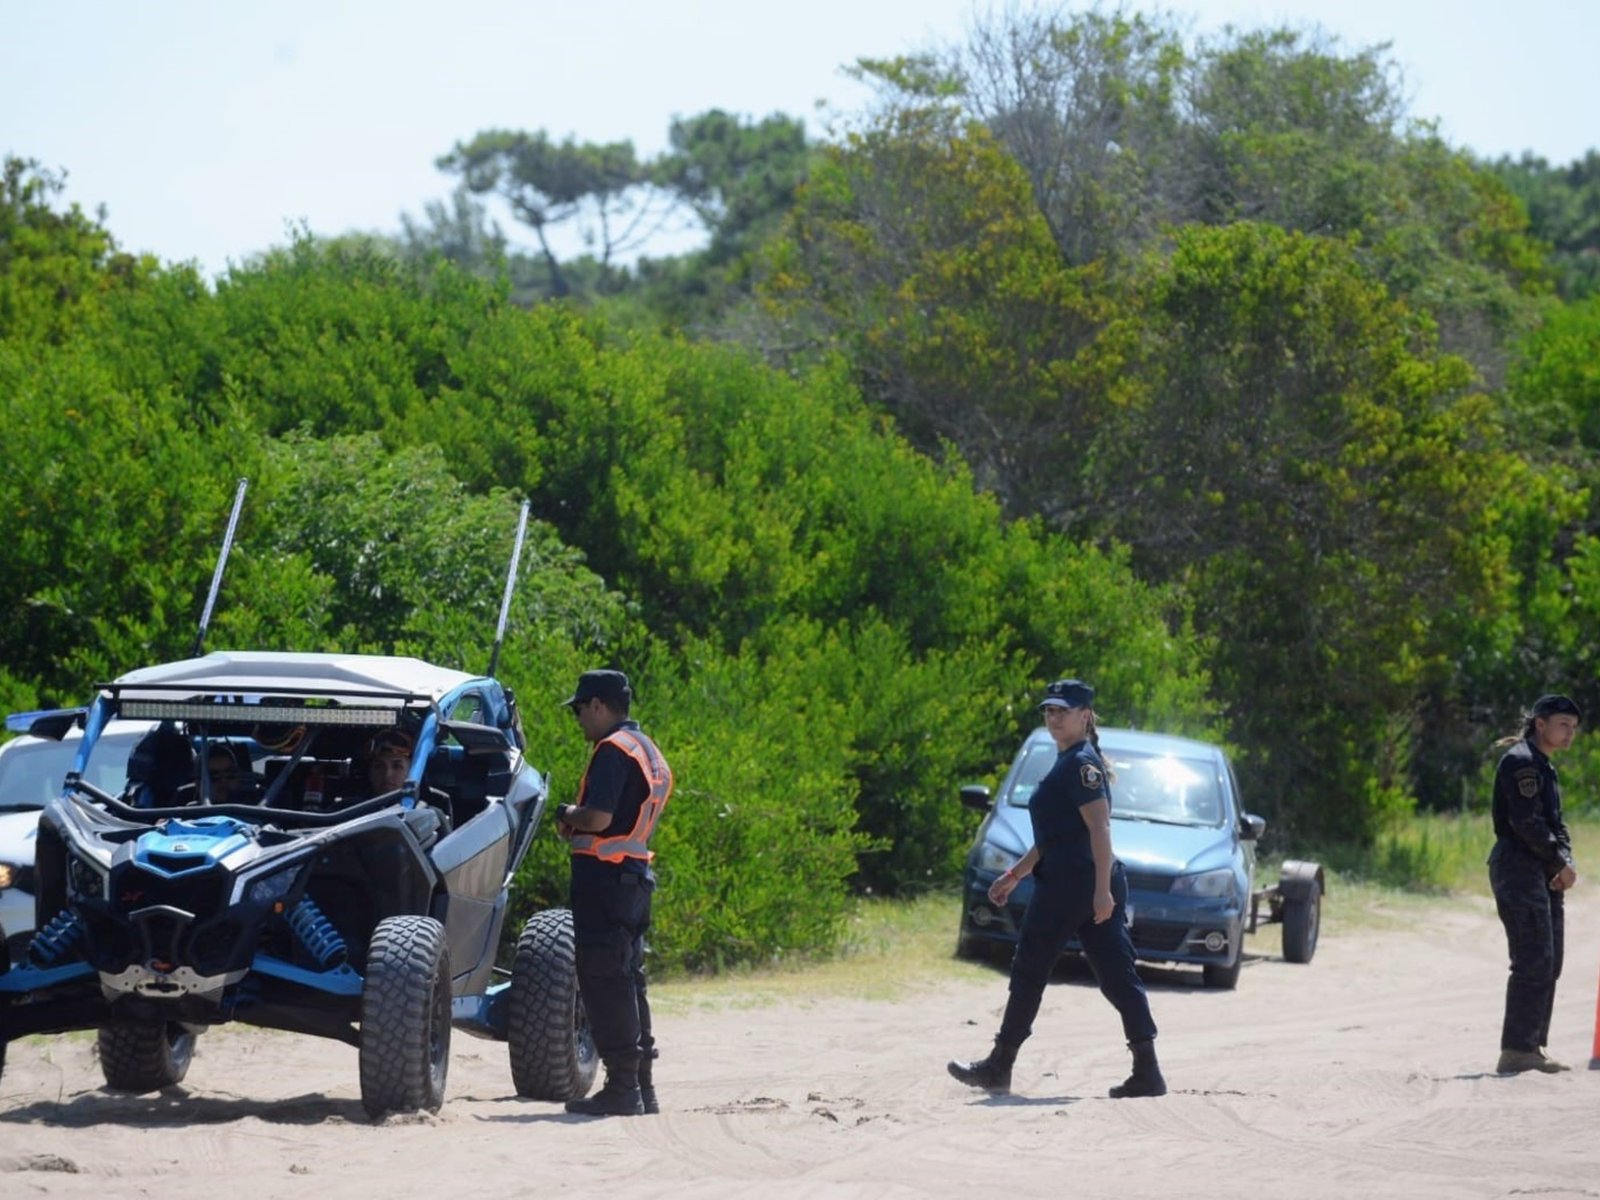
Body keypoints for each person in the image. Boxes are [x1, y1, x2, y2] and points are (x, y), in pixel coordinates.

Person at [948, 679, 1167, 1099]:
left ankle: (999, 1066)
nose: (1053, 718)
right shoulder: (1068, 761)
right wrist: (1015, 874)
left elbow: (1100, 829)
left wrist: (1102, 892)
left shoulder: (1081, 764)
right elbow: (1055, 836)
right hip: (1076, 881)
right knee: (1117, 978)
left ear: (1085, 716)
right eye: (1049, 711)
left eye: (1062, 711)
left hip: (1075, 886)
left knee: (1031, 969)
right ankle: (1147, 1071)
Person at [554, 669, 673, 1117]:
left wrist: (568, 813)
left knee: (604, 980)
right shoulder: (649, 751)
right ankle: (641, 1086)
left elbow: (600, 819)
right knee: (629, 980)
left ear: (599, 705)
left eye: (580, 710)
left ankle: (623, 1088)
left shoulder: (612, 750)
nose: (579, 720)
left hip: (606, 879)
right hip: (635, 876)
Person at [1488, 693, 1581, 1074]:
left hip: (1540, 869)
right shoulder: (1521, 763)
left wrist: (1565, 862)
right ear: (1540, 723)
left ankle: (1533, 1046)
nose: (1568, 734)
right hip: (1518, 867)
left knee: (1550, 959)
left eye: (1573, 728)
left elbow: (1555, 824)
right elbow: (1526, 824)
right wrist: (1558, 860)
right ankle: (1517, 1050)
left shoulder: (1543, 765)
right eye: (1562, 725)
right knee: (1533, 958)